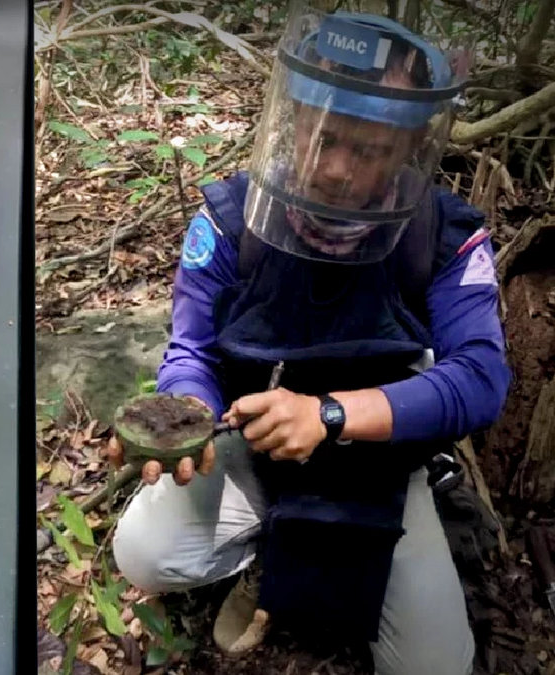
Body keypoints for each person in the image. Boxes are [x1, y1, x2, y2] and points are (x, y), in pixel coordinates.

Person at [105, 7, 510, 675]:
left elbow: (481, 378)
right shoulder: (233, 219)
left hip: (380, 465)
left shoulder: (443, 237)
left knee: (436, 665)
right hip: (256, 452)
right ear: (292, 121)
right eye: (324, 138)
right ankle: (270, 551)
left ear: (408, 149)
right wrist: (183, 420)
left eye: (369, 150)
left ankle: (334, 557)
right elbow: (192, 348)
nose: (336, 169)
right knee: (144, 551)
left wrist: (330, 415)